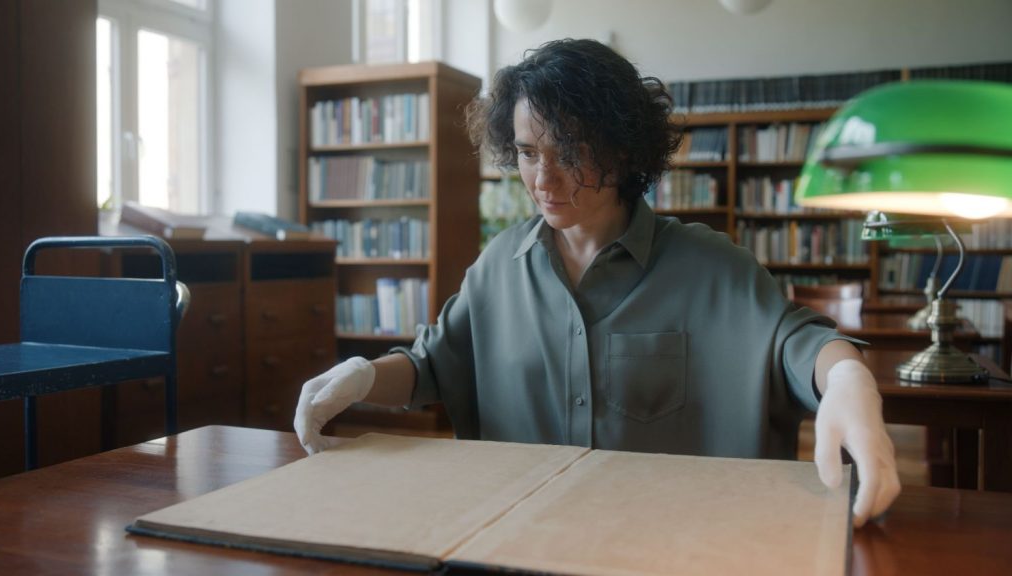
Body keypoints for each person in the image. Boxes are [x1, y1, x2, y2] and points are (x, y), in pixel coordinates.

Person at [294, 38, 900, 527]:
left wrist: (846, 377)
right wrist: (364, 376)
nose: (544, 179)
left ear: (624, 150)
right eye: (528, 152)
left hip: (680, 544)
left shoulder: (712, 266)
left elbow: (800, 344)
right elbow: (432, 364)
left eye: (570, 152)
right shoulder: (498, 266)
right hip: (516, 534)